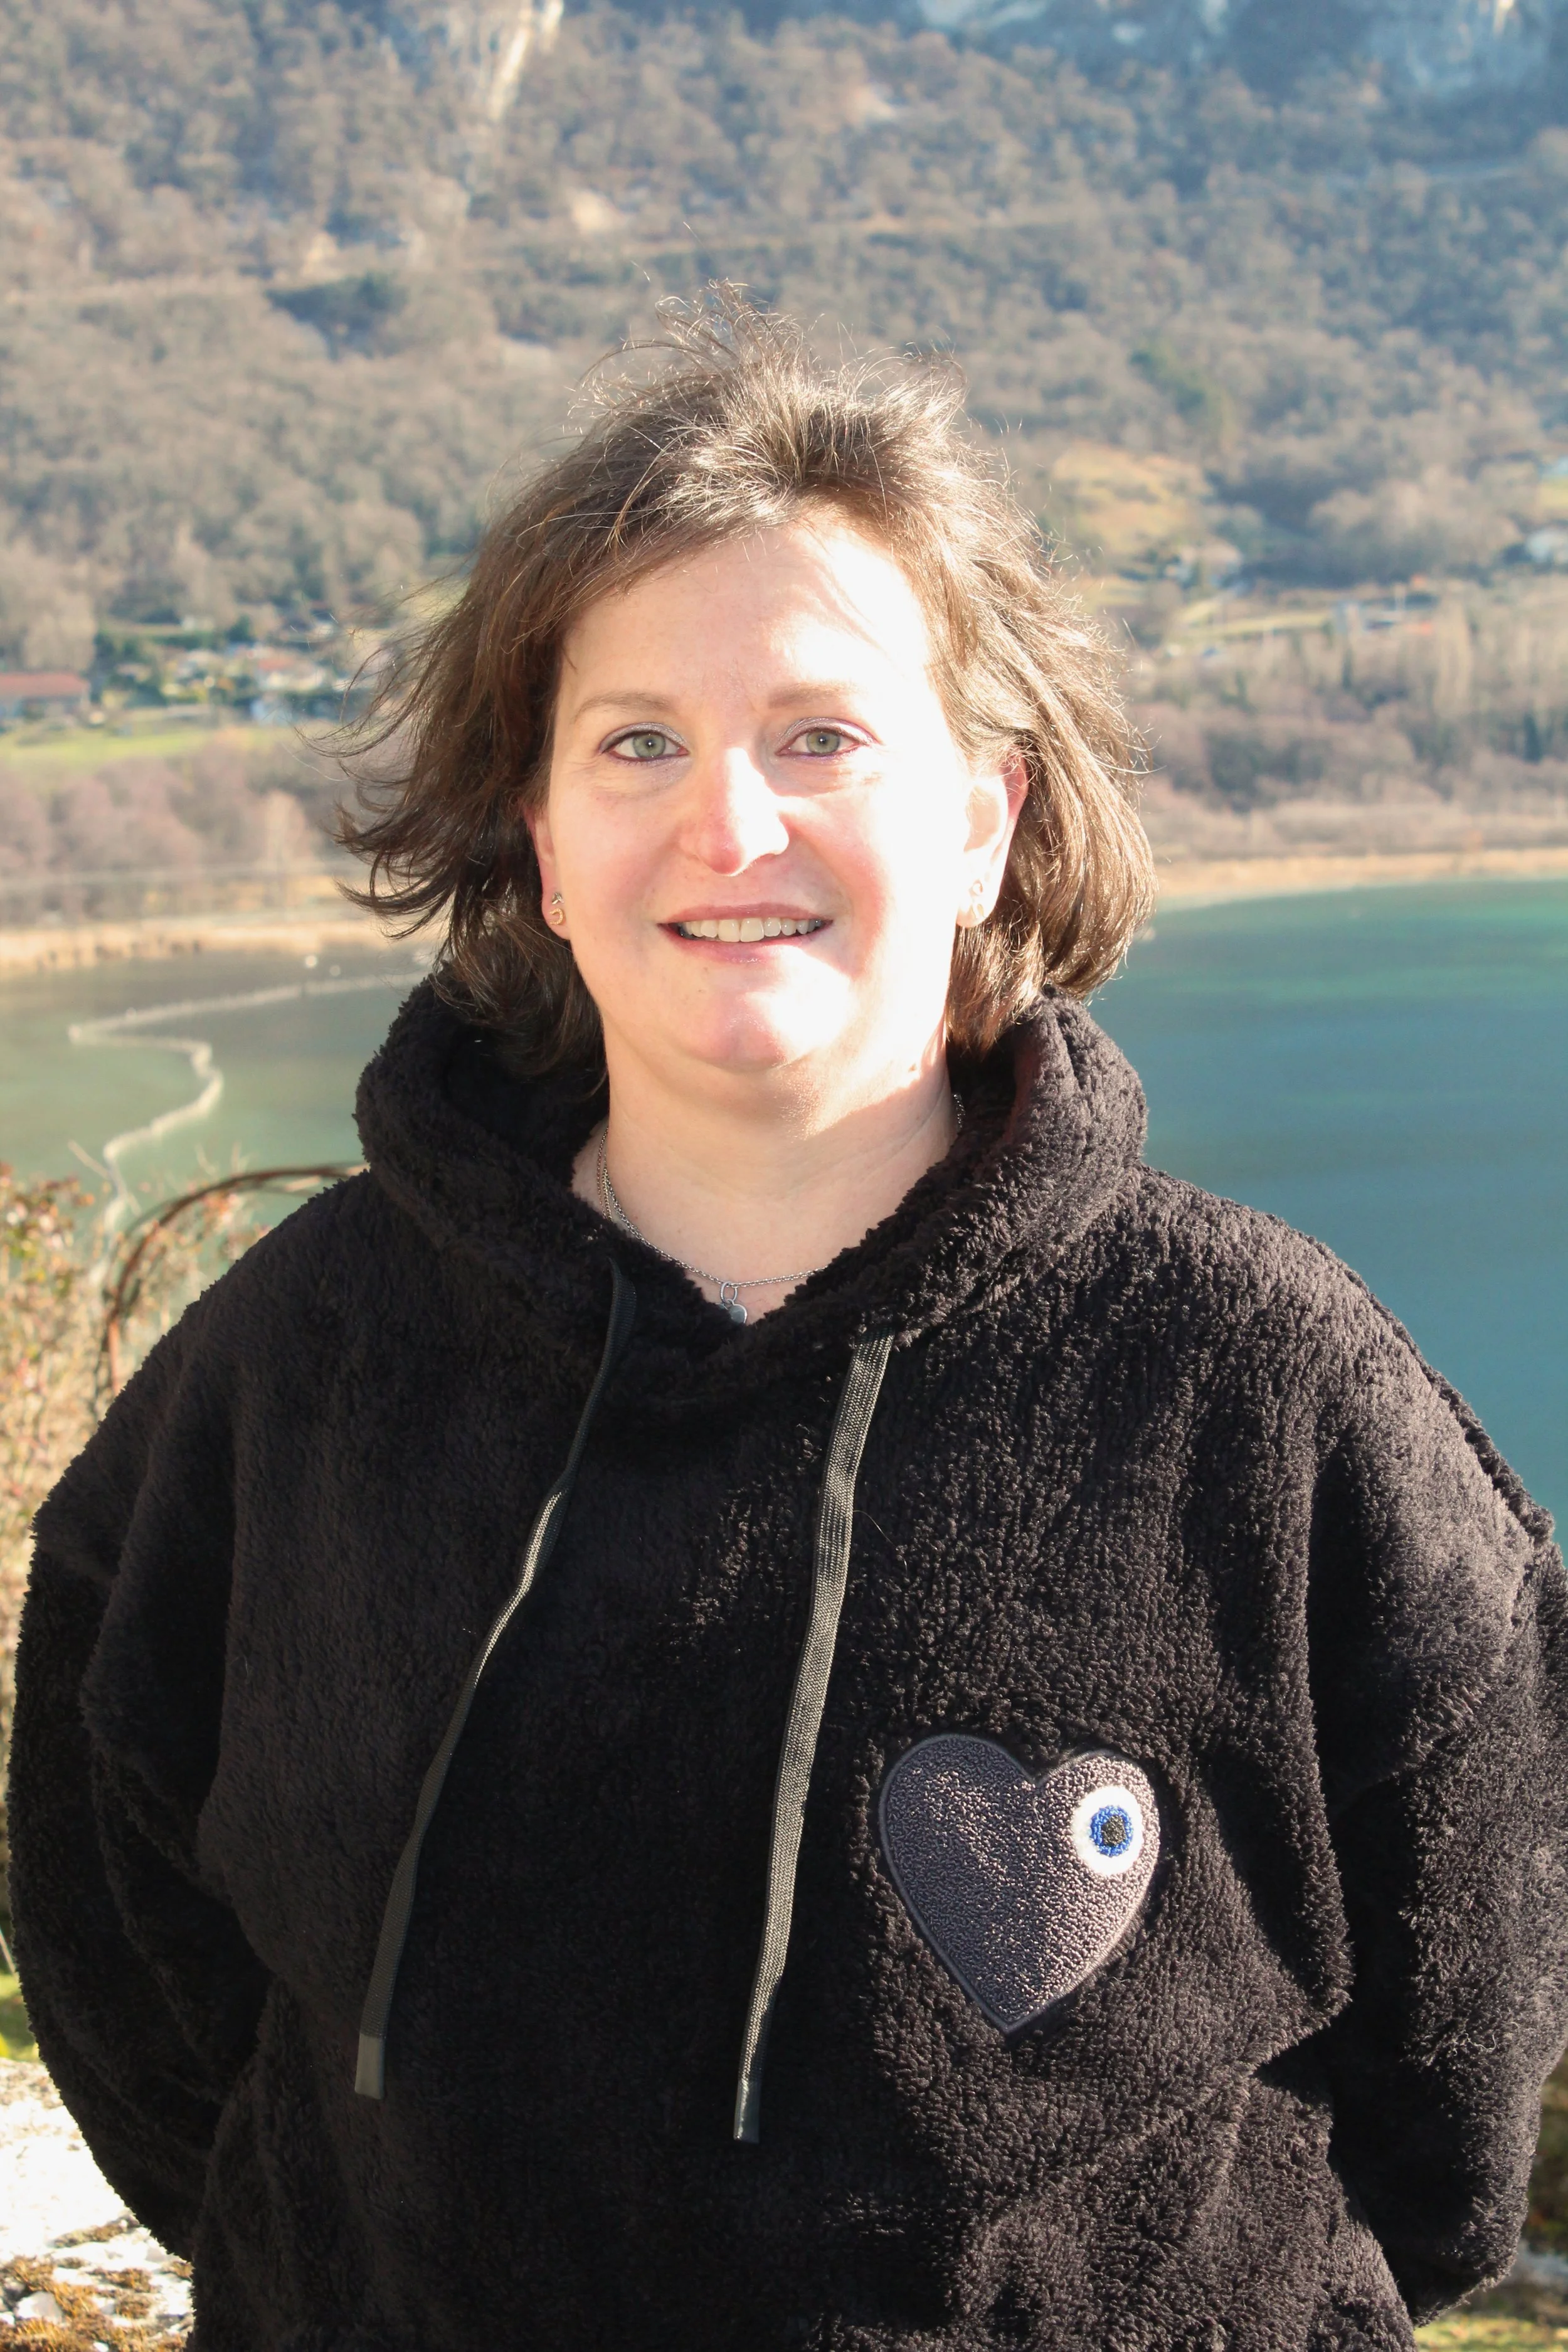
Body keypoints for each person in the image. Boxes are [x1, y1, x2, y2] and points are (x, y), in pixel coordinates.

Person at [9, 300, 1567, 2352]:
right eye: (635, 739)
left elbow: (1456, 2065)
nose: (726, 823)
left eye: (820, 734)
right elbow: (129, 1944)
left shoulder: (1259, 1386)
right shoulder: (302, 1363)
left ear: (981, 815)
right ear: (540, 841)